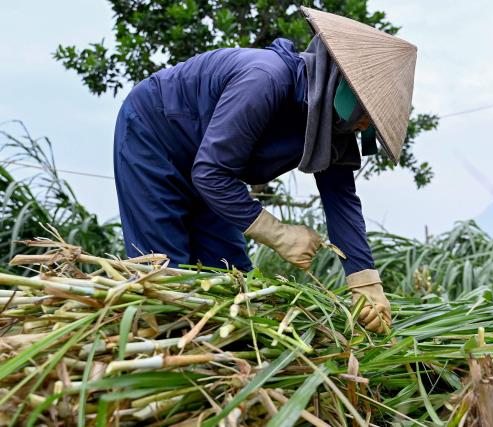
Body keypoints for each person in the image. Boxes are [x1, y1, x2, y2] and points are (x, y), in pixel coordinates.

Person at [113, 7, 417, 333]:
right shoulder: (266, 79)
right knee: (165, 281)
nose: (365, 125)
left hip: (213, 171)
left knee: (231, 281)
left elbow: (342, 202)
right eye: (367, 114)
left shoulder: (333, 128)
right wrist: (281, 235)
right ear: (344, 90)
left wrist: (367, 288)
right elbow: (211, 173)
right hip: (156, 137)